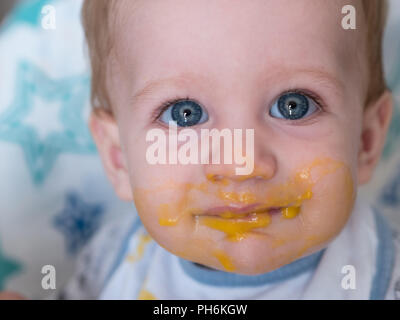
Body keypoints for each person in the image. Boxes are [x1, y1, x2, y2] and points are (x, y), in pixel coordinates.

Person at [56, 0, 399, 299]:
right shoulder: (114, 262)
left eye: (294, 105)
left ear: (365, 141)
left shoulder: (383, 275)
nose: (240, 163)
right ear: (119, 159)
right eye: (185, 115)